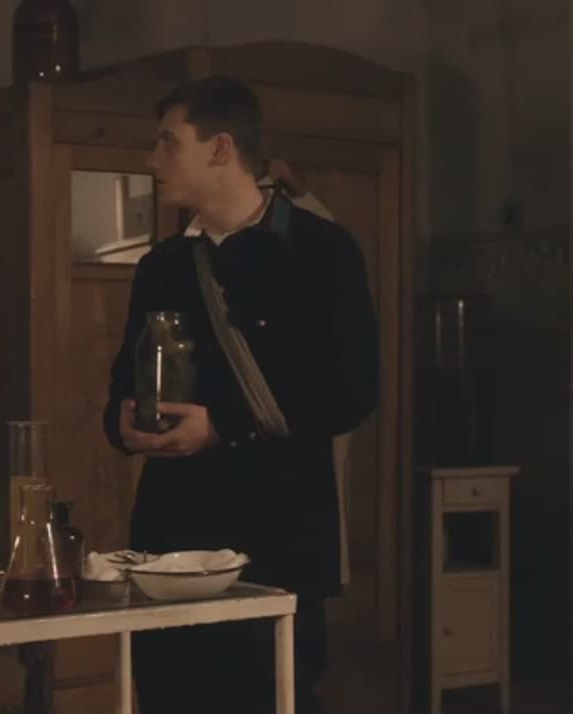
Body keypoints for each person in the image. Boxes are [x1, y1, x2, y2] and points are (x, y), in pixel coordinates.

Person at [103, 76, 379, 713]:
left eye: (168, 143)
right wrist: (123, 423)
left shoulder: (323, 252)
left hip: (276, 541)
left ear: (221, 149)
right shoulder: (161, 265)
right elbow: (121, 384)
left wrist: (223, 427)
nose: (152, 159)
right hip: (170, 547)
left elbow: (353, 391)